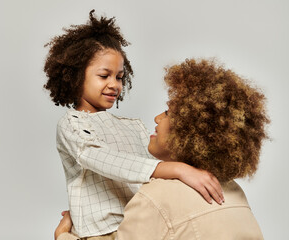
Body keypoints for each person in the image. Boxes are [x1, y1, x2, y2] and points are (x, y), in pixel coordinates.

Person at [44, 10, 223, 239]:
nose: (114, 85)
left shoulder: (133, 127)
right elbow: (103, 160)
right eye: (104, 75)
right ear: (76, 76)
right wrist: (179, 170)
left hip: (141, 225)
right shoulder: (73, 124)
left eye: (119, 77)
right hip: (102, 231)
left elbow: (152, 170)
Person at [55, 58, 269, 240]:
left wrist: (62, 235)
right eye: (104, 76)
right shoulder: (233, 191)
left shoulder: (155, 197)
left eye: (167, 113)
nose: (157, 118)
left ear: (189, 127)